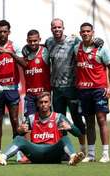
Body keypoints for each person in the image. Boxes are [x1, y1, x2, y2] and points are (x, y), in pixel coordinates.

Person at [0, 92, 85, 166]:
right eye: (41, 102)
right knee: (19, 139)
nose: (43, 104)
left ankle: (73, 158)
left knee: (65, 139)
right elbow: (17, 139)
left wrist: (71, 128)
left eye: (46, 102)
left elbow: (78, 134)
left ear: (50, 103)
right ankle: (2, 157)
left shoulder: (59, 117)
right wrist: (19, 131)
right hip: (35, 153)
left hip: (53, 152)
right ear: (37, 104)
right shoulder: (31, 118)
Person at [45, 18, 88, 153]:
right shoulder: (48, 42)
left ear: (63, 28)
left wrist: (99, 42)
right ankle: (64, 151)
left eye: (59, 27)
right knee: (59, 120)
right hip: (56, 89)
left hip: (71, 88)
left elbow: (87, 46)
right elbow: (39, 50)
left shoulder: (73, 41)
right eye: (54, 27)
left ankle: (83, 149)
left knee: (76, 118)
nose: (57, 30)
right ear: (51, 29)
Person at [74, 22, 110, 163]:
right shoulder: (76, 48)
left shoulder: (101, 49)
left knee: (101, 120)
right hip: (84, 90)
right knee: (89, 122)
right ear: (80, 33)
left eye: (88, 31)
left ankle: (105, 153)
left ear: (93, 32)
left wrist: (109, 87)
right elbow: (76, 66)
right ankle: (91, 155)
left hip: (99, 89)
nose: (85, 33)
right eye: (83, 31)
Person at [0, 20, 25, 158]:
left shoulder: (15, 46)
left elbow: (24, 63)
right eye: (0, 31)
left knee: (15, 120)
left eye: (5, 31)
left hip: (12, 88)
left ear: (9, 32)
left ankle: (18, 151)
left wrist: (11, 53)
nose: (2, 34)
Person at [21, 29, 51, 116]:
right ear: (27, 41)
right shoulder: (25, 53)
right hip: (30, 95)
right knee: (30, 121)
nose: (33, 43)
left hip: (44, 94)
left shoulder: (45, 52)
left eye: (35, 41)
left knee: (45, 119)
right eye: (30, 41)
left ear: (39, 39)